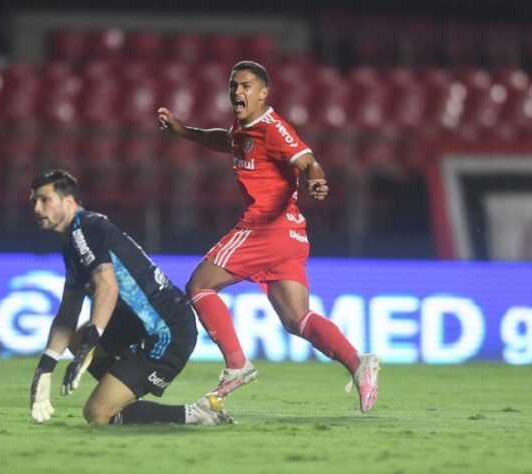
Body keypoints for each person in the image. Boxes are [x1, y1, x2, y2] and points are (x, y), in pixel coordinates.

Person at [157, 60, 381, 413]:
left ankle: (236, 365)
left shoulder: (273, 128)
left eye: (246, 86)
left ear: (263, 93)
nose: (237, 92)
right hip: (290, 237)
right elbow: (229, 141)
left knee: (199, 285)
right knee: (297, 319)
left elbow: (307, 160)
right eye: (233, 86)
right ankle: (358, 363)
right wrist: (184, 131)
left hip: (265, 228)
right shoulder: (244, 128)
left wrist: (316, 179)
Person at [28, 169, 233, 425]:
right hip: (136, 324)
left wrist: (91, 343)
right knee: (77, 338)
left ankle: (199, 414)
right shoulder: (74, 240)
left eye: (44, 199)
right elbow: (68, 311)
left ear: (69, 202)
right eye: (33, 201)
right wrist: (45, 369)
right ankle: (122, 396)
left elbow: (108, 287)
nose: (37, 208)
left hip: (166, 331)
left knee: (97, 414)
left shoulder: (86, 230)